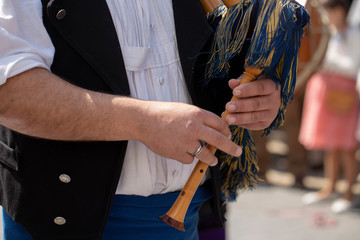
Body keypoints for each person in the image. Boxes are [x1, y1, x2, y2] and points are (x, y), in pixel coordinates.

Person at [0, 0, 281, 239]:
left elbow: (212, 52)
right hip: (65, 223)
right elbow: (10, 93)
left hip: (189, 216)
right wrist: (143, 121)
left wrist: (256, 95)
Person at [299, 0, 360, 213]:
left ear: (340, 10)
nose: (327, 16)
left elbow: (353, 66)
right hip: (328, 93)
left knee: (347, 148)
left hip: (345, 95)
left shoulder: (354, 34)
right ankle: (329, 187)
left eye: (330, 10)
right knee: (330, 146)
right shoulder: (331, 33)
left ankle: (348, 193)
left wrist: (327, 65)